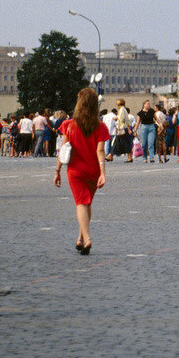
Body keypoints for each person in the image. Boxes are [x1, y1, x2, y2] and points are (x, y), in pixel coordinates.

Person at [53, 87, 108, 254]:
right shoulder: (100, 126)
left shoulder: (69, 125)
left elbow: (63, 151)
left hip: (75, 170)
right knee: (86, 202)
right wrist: (103, 173)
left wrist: (57, 171)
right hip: (93, 170)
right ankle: (80, 238)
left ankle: (88, 238)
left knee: (81, 203)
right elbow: (100, 151)